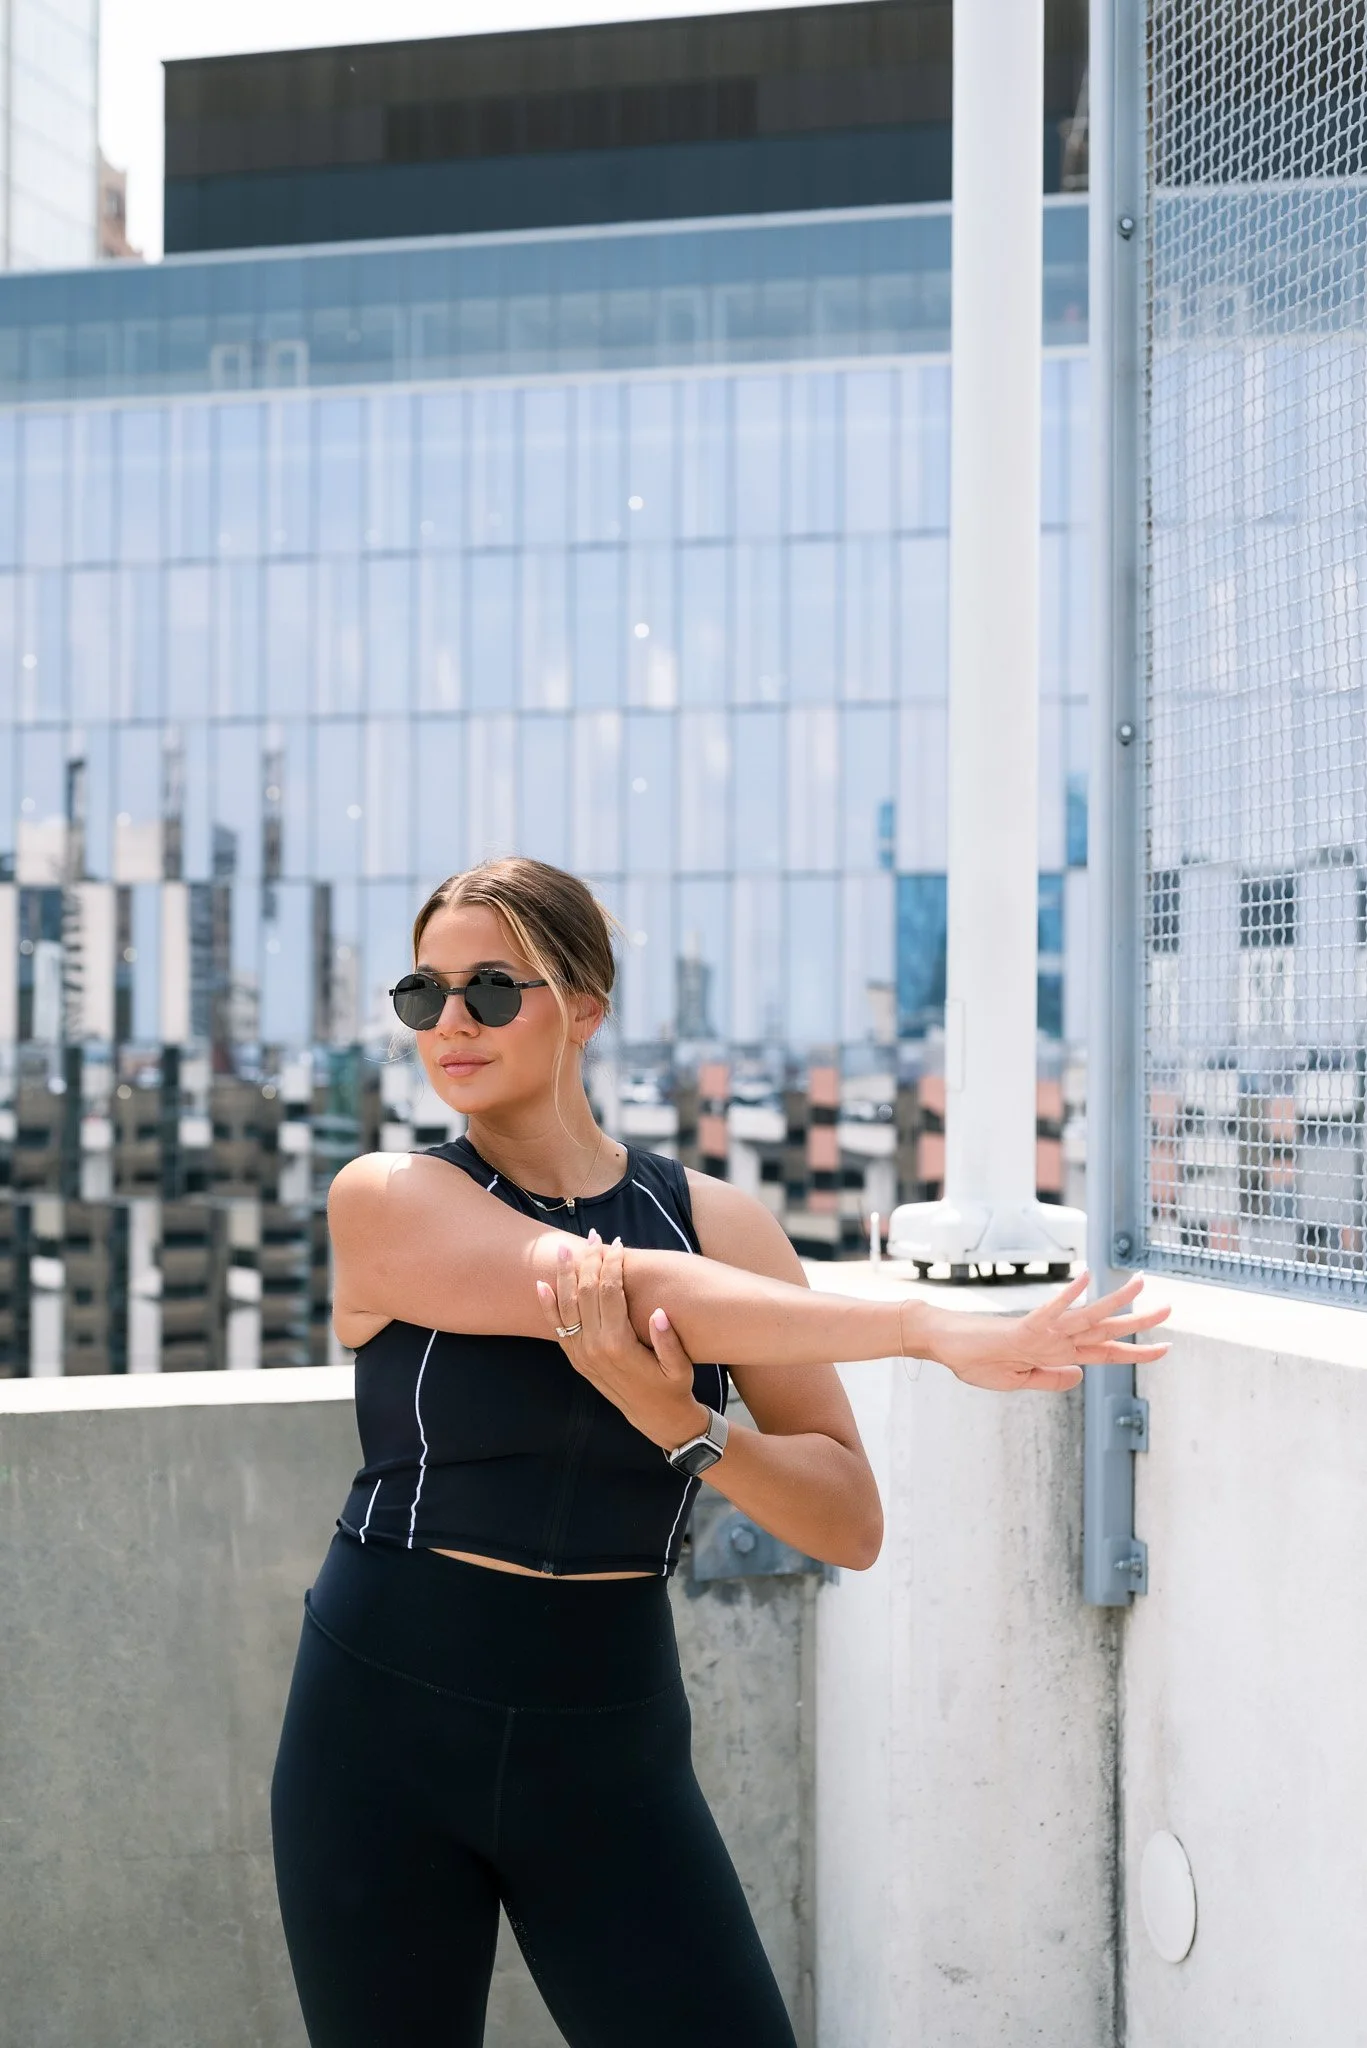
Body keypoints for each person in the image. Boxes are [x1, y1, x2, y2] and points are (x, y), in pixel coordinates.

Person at [270, 856, 1170, 2048]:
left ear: (582, 1005)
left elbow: (847, 1518)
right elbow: (626, 1285)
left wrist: (684, 1429)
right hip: (381, 1712)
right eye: (421, 993)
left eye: (491, 989)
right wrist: (917, 1324)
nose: (449, 1022)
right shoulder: (386, 1197)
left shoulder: (722, 1223)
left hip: (606, 1727)